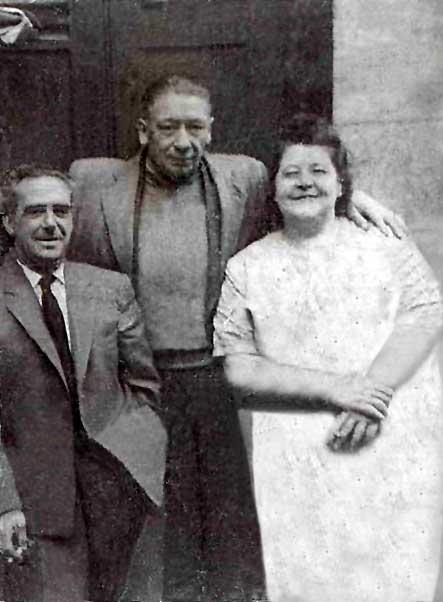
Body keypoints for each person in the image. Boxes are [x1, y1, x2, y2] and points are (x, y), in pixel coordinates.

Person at [68, 75, 405, 602]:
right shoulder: (92, 182)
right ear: (142, 130)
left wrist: (358, 200)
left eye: (195, 127)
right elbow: (32, 203)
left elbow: (305, 184)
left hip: (220, 381)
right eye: (168, 127)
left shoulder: (242, 176)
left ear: (211, 130)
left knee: (232, 535)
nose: (183, 140)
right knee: (156, 537)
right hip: (138, 386)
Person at [213, 115, 443, 602]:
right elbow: (238, 365)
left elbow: (424, 315)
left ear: (342, 184)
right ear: (271, 190)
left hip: (386, 437)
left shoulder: (386, 249)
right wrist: (335, 389)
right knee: (307, 578)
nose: (304, 182)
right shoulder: (248, 267)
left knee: (391, 575)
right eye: (290, 172)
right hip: (297, 449)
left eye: (318, 170)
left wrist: (368, 396)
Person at [0, 166, 166, 602]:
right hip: (36, 497)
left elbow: (143, 384)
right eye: (36, 212)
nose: (51, 223)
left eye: (61, 211)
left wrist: (137, 458)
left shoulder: (109, 288)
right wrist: (6, 503)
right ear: (9, 221)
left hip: (116, 483)